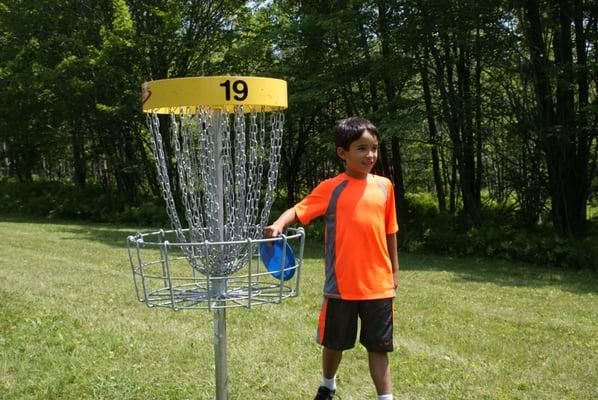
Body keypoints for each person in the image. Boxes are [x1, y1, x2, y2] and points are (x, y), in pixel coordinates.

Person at [264, 117, 400, 400]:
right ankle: (327, 386)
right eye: (362, 148)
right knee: (334, 343)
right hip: (341, 286)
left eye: (374, 148)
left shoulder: (385, 187)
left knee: (379, 346)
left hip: (379, 286)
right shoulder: (331, 188)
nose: (370, 155)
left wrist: (394, 273)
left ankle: (385, 397)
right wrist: (278, 225)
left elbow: (390, 232)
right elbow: (299, 209)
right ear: (343, 153)